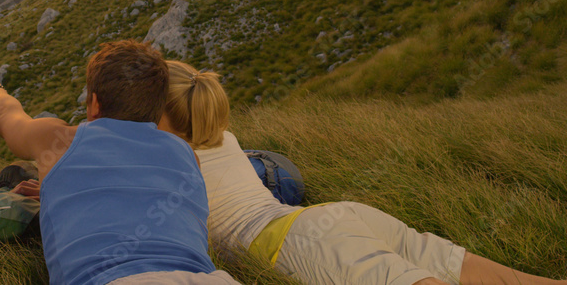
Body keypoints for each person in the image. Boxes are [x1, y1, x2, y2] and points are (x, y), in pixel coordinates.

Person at [160, 59, 567, 285]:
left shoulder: (167, 159)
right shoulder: (222, 136)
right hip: (332, 217)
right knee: (452, 262)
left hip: (293, 242)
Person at [0, 40, 239, 285]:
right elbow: (144, 192)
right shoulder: (186, 154)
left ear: (94, 103)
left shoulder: (58, 140)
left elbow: (6, 116)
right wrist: (61, 192)